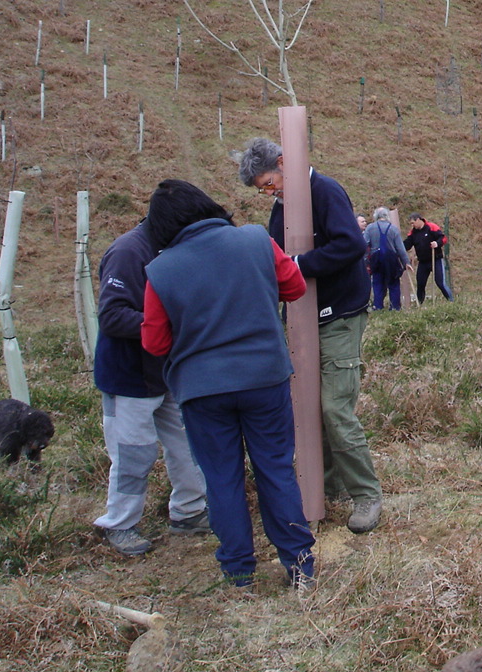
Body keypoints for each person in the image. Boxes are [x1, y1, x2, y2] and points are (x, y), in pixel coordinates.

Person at [140, 179, 315, 590]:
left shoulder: (160, 270)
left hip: (202, 391)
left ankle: (239, 573)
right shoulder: (255, 240)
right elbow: (295, 287)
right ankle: (300, 565)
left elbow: (154, 342)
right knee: (276, 469)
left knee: (221, 479)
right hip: (264, 378)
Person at [237, 137, 383, 534]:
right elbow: (275, 258)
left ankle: (366, 494)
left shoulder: (325, 191)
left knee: (335, 408)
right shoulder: (281, 209)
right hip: (302, 320)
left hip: (342, 313)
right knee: (309, 408)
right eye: (263, 190)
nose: (269, 193)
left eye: (269, 183)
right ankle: (328, 487)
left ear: (284, 163)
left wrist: (299, 265)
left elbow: (349, 245)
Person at [93, 217, 209, 556]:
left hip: (166, 372)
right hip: (128, 376)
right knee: (133, 453)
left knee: (188, 445)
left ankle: (189, 512)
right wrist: (165, 324)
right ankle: (120, 523)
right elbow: (112, 316)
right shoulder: (128, 252)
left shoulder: (175, 247)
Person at [365, 207, 410, 311]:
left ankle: (378, 306)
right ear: (387, 216)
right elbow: (400, 248)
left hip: (376, 259)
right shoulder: (393, 228)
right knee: (393, 282)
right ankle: (395, 306)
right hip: (391, 260)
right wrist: (406, 262)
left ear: (376, 216)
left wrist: (365, 260)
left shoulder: (370, 228)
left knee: (377, 282)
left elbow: (364, 245)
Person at [403, 212, 454, 302]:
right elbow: (407, 245)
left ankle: (451, 301)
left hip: (436, 259)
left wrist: (437, 243)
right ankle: (420, 303)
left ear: (418, 220)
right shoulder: (413, 233)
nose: (412, 225)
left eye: (413, 223)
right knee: (420, 284)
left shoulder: (431, 227)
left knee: (440, 283)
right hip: (423, 262)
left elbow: (443, 238)